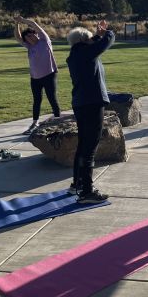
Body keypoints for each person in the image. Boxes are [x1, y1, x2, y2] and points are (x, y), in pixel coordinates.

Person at [66, 20, 115, 204]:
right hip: (92, 103)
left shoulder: (76, 53)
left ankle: (77, 184)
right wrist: (107, 32)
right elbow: (106, 42)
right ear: (85, 41)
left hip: (81, 103)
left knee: (83, 145)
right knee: (90, 148)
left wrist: (95, 34)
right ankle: (87, 191)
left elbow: (91, 42)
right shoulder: (87, 53)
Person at [14, 16, 61, 132]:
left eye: (31, 35)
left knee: (52, 98)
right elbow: (18, 38)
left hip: (49, 74)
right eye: (27, 38)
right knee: (37, 100)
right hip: (35, 78)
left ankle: (58, 121)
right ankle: (35, 123)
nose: (29, 38)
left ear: (35, 34)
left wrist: (23, 21)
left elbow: (34, 24)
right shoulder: (29, 47)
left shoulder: (45, 41)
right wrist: (16, 24)